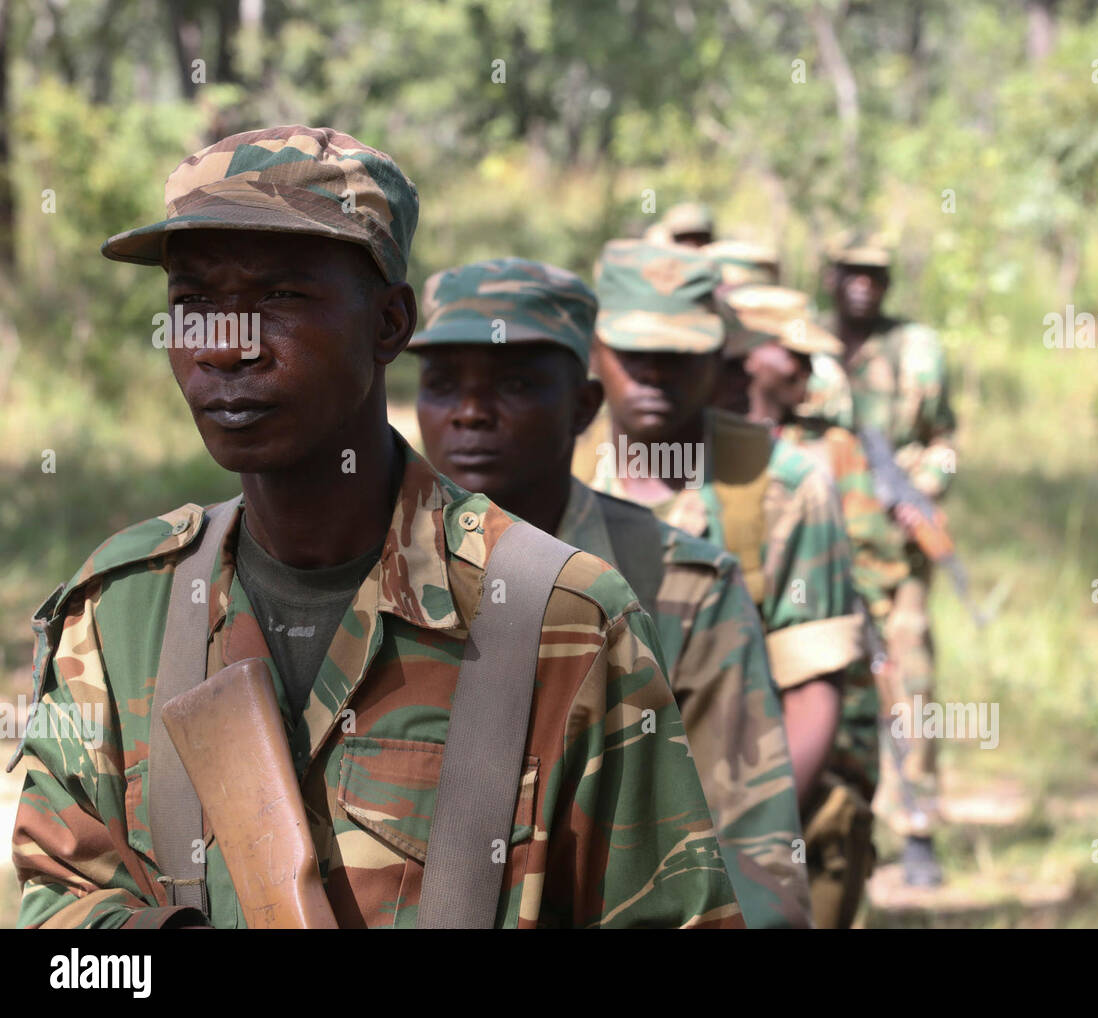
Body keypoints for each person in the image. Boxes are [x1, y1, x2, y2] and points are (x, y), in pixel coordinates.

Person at [8, 126, 742, 929]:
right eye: (194, 304)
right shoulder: (124, 610)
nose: (224, 347)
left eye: (279, 297)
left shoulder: (560, 621)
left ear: (390, 325)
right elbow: (62, 921)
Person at [405, 256, 812, 928]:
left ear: (583, 406)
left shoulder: (678, 582)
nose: (471, 413)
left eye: (514, 384)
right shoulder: (368, 571)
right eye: (444, 385)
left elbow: (752, 849)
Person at [572, 240, 863, 834]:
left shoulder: (781, 485)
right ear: (596, 351)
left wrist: (735, 861)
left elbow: (812, 694)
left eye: (679, 352)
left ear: (719, 355)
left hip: (726, 814)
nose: (654, 370)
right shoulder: (553, 469)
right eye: (633, 350)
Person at [715, 282, 907, 925]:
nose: (805, 370)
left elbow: (877, 565)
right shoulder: (679, 450)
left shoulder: (825, 452)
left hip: (819, 711)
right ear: (750, 356)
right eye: (789, 354)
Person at [821, 230, 958, 887]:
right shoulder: (806, 350)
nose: (863, 283)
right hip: (817, 547)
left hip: (896, 552)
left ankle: (918, 830)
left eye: (875, 273)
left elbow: (943, 440)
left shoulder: (916, 351)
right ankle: (836, 831)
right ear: (830, 275)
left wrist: (922, 489)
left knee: (911, 679)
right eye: (851, 271)